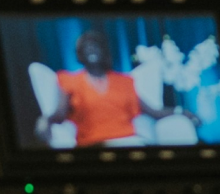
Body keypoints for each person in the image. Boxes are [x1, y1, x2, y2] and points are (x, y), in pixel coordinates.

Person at [35, 28, 191, 147]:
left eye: (95, 46)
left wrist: (181, 112)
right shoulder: (69, 80)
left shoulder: (124, 82)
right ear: (80, 54)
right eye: (86, 47)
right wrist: (45, 120)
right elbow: (59, 114)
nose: (91, 49)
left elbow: (154, 112)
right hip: (93, 145)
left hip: (129, 143)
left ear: (104, 51)